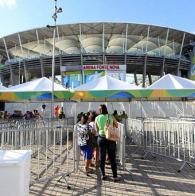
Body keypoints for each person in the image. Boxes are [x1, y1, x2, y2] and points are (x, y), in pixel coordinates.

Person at [95, 104, 119, 182]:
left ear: (99, 110)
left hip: (101, 138)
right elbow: (117, 125)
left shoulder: (97, 118)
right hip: (111, 138)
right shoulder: (111, 116)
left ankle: (103, 175)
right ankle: (115, 176)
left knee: (102, 157)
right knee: (112, 158)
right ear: (106, 109)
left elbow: (97, 130)